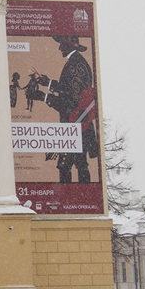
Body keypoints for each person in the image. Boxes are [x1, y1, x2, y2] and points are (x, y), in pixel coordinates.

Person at [32, 36, 99, 183]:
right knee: (78, 164)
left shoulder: (75, 65)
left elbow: (69, 101)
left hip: (75, 126)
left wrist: (45, 96)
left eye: (62, 44)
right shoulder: (76, 63)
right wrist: (48, 84)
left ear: (69, 46)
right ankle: (80, 199)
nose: (59, 48)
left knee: (68, 165)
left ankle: (73, 200)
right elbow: (68, 94)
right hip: (77, 125)